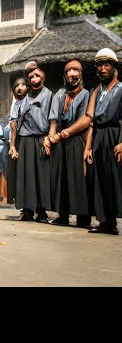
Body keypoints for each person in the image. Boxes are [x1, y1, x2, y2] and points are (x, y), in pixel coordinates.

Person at [60, 49, 122, 234]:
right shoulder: (97, 90)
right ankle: (105, 222)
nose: (103, 69)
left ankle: (112, 222)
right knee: (99, 179)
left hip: (114, 135)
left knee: (114, 179)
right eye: (99, 65)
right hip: (98, 137)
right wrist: (88, 147)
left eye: (107, 65)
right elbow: (89, 119)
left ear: (114, 67)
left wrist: (121, 142)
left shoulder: (121, 89)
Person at [47, 59, 92, 228]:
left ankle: (83, 217)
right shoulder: (59, 93)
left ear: (80, 75)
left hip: (77, 138)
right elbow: (53, 119)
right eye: (69, 71)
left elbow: (84, 119)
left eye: (76, 71)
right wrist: (51, 138)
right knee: (62, 178)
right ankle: (63, 214)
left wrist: (64, 134)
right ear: (65, 75)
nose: (72, 74)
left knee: (78, 177)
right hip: (60, 139)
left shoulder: (86, 94)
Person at [9, 61, 53, 222]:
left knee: (41, 175)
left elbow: (52, 119)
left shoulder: (48, 95)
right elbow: (14, 123)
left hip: (41, 138)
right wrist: (13, 145)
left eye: (36, 74)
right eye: (30, 75)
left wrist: (49, 137)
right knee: (26, 176)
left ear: (42, 76)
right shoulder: (22, 100)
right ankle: (27, 210)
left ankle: (41, 211)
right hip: (25, 141)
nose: (34, 78)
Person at [4, 77, 28, 204]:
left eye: (23, 85)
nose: (20, 88)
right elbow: (13, 127)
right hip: (17, 141)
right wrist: (12, 146)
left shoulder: (30, 101)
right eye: (17, 85)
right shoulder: (16, 103)